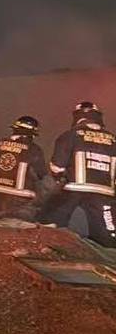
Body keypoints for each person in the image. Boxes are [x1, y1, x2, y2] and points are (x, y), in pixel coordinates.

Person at [41, 101, 116, 246]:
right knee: (108, 237)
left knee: (50, 223)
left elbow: (57, 167)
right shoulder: (113, 140)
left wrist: (59, 179)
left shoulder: (70, 136)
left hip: (72, 190)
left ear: (77, 117)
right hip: (104, 194)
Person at [0, 115, 47, 219]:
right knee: (20, 226)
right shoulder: (34, 149)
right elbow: (41, 174)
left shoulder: (0, 144)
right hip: (21, 199)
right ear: (31, 134)